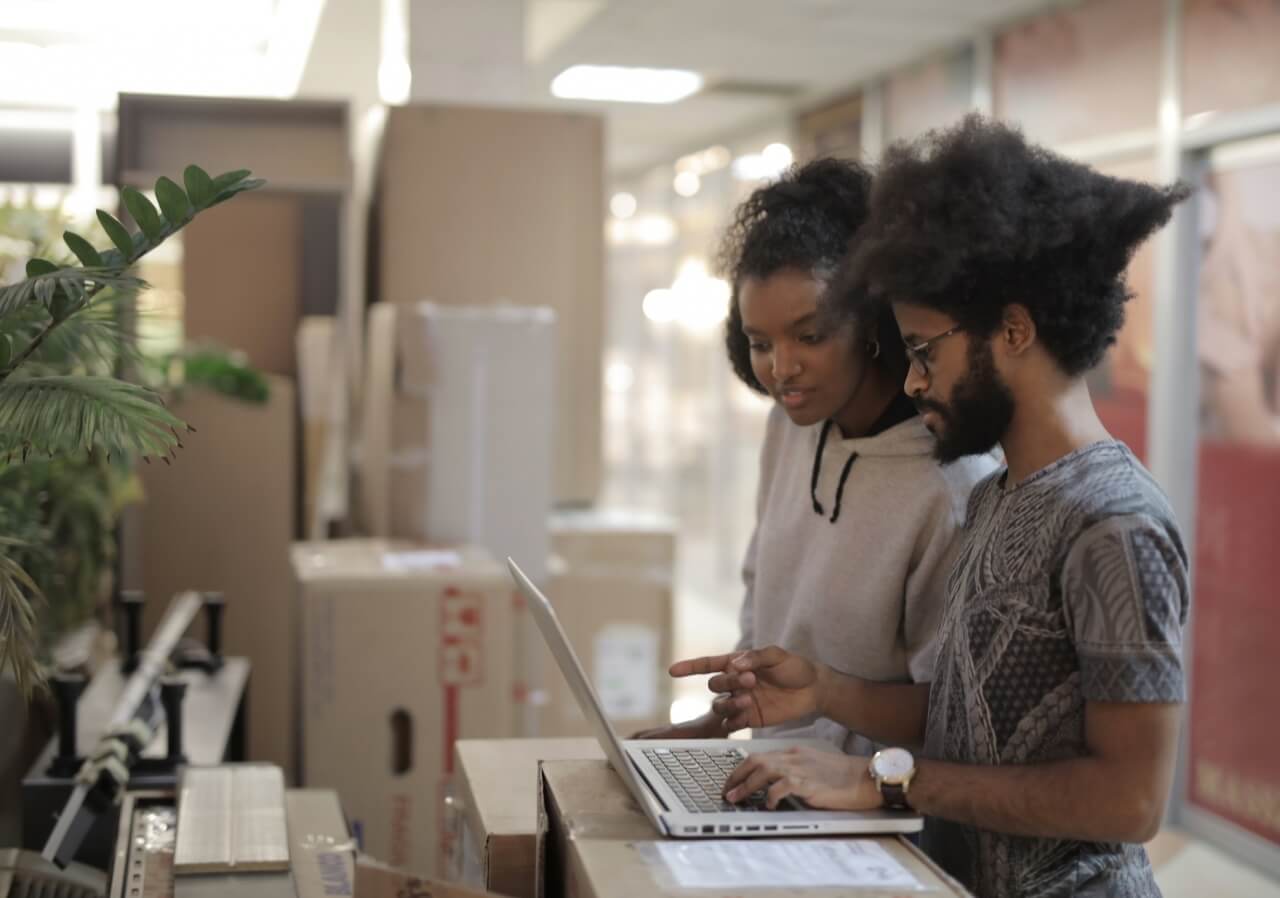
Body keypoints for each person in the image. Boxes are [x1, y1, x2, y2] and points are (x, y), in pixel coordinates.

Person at [674, 116, 1191, 898]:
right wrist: (822, 693)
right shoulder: (996, 497)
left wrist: (888, 783)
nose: (913, 383)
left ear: (1013, 330)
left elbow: (1131, 801)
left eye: (925, 351)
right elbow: (962, 722)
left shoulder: (1114, 525)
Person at [639, 157, 996, 755]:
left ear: (873, 323)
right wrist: (723, 723)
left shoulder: (950, 484)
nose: (781, 369)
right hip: (774, 777)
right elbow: (764, 588)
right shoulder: (789, 427)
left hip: (874, 813)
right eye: (759, 343)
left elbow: (954, 712)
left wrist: (832, 746)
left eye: (810, 336)